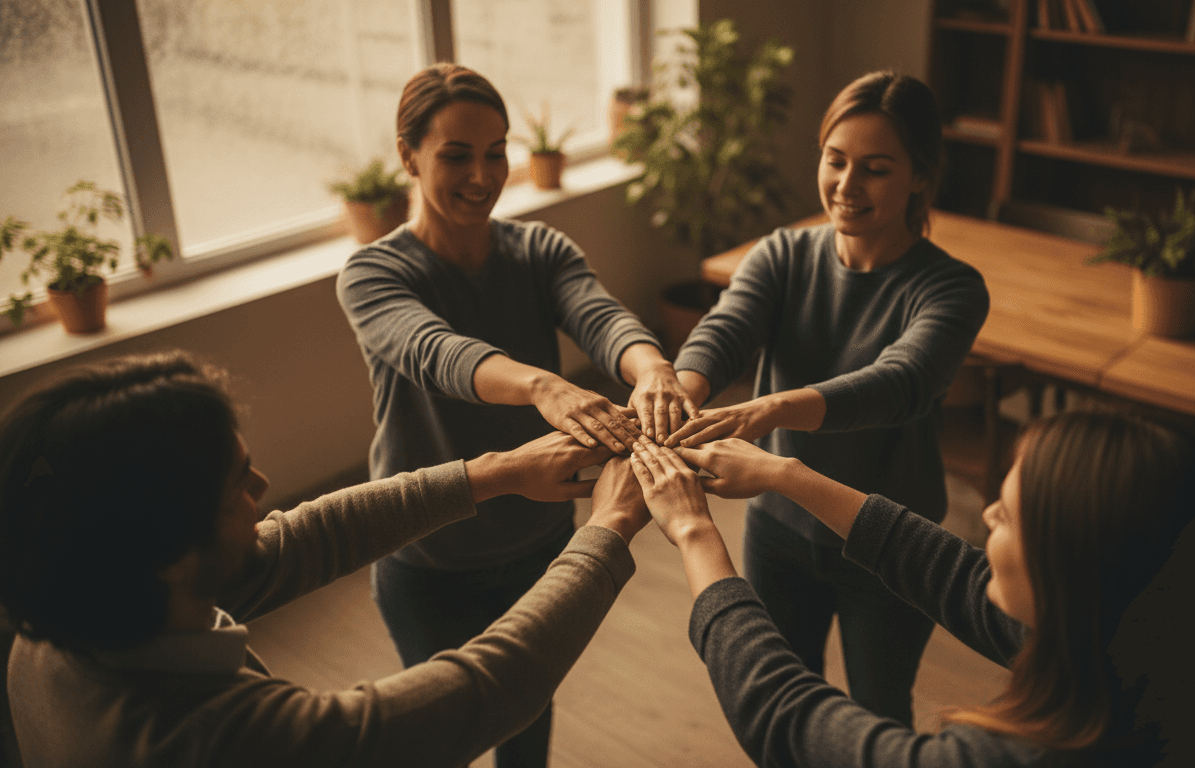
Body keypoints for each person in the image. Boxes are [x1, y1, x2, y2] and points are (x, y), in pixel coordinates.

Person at [0, 351, 653, 768]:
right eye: (237, 488)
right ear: (169, 554)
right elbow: (480, 692)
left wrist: (495, 472)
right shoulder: (213, 743)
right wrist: (609, 528)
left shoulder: (71, 617)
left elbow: (295, 542)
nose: (263, 490)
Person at [335, 63, 693, 767]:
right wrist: (543, 387)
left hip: (536, 544)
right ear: (408, 157)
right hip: (429, 556)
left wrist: (653, 367)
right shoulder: (374, 274)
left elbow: (598, 314)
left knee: (527, 721)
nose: (483, 174)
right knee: (447, 736)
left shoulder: (541, 250)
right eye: (456, 155)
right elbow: (433, 350)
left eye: (497, 152)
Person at [626, 410, 1195, 766]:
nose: (985, 519)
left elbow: (789, 720)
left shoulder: (1010, 759)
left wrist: (694, 533)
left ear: (1072, 567)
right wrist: (787, 475)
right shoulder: (1172, 663)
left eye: (1007, 515)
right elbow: (963, 579)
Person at [666, 70, 990, 726]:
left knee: (879, 713)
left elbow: (904, 382)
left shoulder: (952, 289)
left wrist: (773, 408)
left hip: (890, 542)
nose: (846, 186)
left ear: (920, 178)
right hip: (779, 529)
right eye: (835, 161)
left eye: (875, 168)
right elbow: (727, 328)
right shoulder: (783, 254)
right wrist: (683, 390)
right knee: (785, 703)